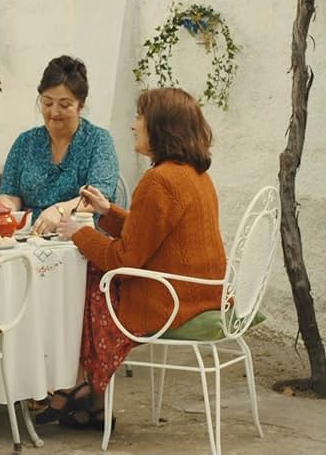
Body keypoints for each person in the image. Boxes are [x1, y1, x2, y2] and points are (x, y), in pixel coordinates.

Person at [47, 87, 228, 429]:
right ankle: (91, 400)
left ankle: (82, 388)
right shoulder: (195, 175)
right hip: (203, 292)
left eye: (139, 118)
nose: (133, 126)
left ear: (160, 128)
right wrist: (107, 211)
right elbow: (152, 232)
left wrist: (79, 233)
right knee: (92, 277)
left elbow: (124, 259)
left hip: (171, 300)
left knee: (87, 284)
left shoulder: (158, 181)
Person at [0, 55, 119, 235]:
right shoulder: (25, 142)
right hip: (29, 236)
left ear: (81, 105)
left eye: (64, 105)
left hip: (80, 239)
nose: (54, 112)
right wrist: (2, 210)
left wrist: (59, 210)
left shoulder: (98, 141)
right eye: (47, 103)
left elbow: (99, 197)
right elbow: (10, 194)